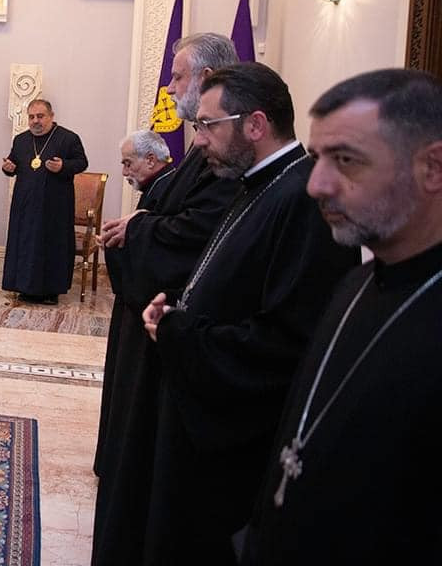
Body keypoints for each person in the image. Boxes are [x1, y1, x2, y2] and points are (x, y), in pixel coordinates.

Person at [139, 62, 358, 564]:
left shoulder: (300, 199)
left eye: (207, 126)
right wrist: (178, 307)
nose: (197, 141)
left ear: (255, 125)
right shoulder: (259, 184)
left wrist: (180, 332)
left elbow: (285, 341)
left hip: (238, 451)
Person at [242, 69, 442, 564]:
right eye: (317, 159)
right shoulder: (355, 284)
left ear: (433, 168)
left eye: (346, 161)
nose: (316, 185)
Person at [90, 33, 239, 566]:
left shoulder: (224, 157)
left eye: (177, 77)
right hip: (150, 320)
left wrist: (138, 228)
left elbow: (196, 232)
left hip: (171, 321)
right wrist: (140, 224)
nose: (169, 87)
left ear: (207, 79)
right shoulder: (201, 146)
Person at [94, 129, 172, 471]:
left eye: (128, 163)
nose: (124, 171)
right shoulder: (159, 186)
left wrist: (124, 239)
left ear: (151, 159)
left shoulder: (165, 187)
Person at [0, 99, 88, 303]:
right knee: (25, 245)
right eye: (31, 117)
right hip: (25, 205)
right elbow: (13, 163)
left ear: (51, 116)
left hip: (55, 206)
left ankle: (50, 291)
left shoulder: (68, 138)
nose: (35, 121)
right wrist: (7, 168)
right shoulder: (21, 140)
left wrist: (63, 166)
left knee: (51, 246)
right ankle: (23, 287)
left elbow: (82, 163)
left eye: (40, 116)